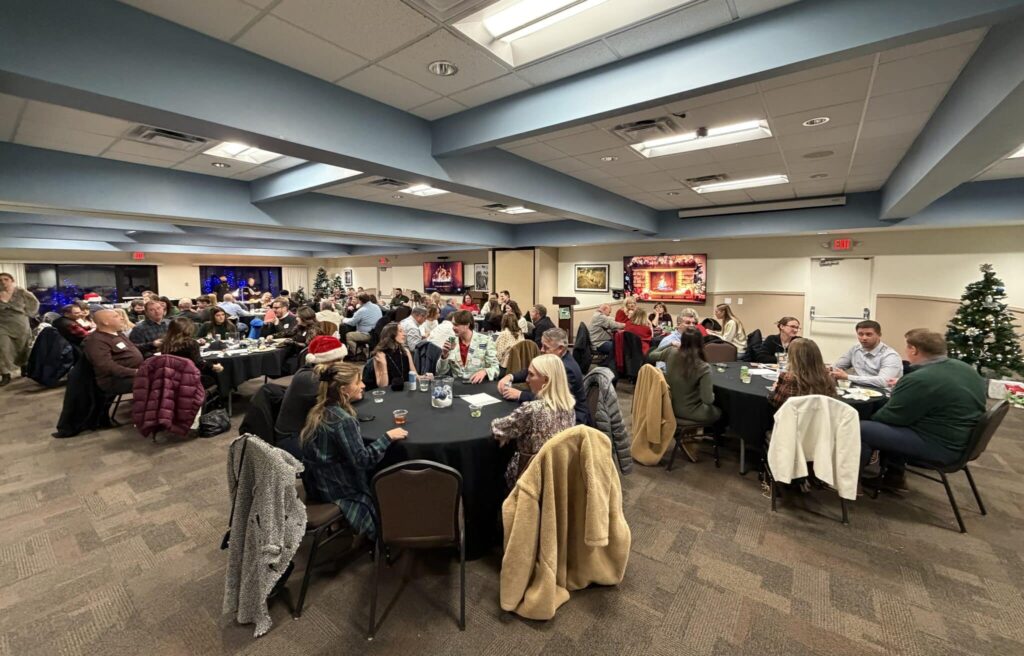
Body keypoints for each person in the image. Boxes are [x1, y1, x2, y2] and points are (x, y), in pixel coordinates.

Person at [859, 329, 986, 490]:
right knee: (881, 410)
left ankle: (851, 483)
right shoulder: (964, 368)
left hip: (940, 446)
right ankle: (894, 476)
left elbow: (890, 418)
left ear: (913, 349)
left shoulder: (921, 379)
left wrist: (872, 416)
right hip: (962, 439)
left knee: (860, 428)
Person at [299, 363, 407, 541]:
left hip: (316, 483)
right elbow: (362, 461)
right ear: (343, 390)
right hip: (337, 488)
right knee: (390, 480)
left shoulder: (318, 410)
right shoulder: (343, 421)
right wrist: (387, 437)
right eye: (358, 382)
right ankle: (392, 531)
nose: (363, 385)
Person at [491, 353, 577, 488]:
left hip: (528, 476)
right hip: (559, 477)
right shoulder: (569, 406)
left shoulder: (532, 410)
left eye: (531, 375)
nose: (526, 379)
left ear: (546, 381)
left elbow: (498, 429)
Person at [498, 327, 590, 425]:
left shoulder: (567, 369)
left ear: (560, 349)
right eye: (542, 346)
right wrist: (511, 376)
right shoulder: (553, 358)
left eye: (546, 347)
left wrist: (519, 394)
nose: (541, 350)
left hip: (572, 420)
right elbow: (532, 370)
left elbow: (551, 399)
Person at [275, 335, 347, 453]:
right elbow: (340, 399)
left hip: (308, 430)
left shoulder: (318, 373)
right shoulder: (310, 378)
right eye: (336, 360)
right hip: (293, 438)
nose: (341, 364)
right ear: (321, 361)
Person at [647, 327, 721, 430]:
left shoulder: (670, 352)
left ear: (682, 340)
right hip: (690, 411)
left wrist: (669, 343)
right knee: (721, 412)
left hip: (668, 407)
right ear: (701, 343)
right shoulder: (703, 367)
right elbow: (708, 400)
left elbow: (651, 355)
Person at [82, 309, 144, 395]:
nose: (122, 318)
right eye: (116, 316)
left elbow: (132, 349)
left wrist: (152, 345)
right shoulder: (96, 341)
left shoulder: (117, 334)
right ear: (105, 322)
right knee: (158, 381)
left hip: (133, 372)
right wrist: (135, 372)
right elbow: (106, 366)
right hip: (116, 380)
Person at [830, 320, 904, 388]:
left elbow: (884, 382)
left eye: (868, 334)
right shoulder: (855, 349)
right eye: (860, 334)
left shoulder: (890, 356)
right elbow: (837, 367)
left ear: (879, 335)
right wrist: (829, 370)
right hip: (857, 390)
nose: (864, 338)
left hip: (881, 394)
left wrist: (848, 377)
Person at [768, 338, 836, 409]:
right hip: (821, 418)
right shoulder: (827, 377)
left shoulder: (789, 378)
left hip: (794, 418)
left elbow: (776, 403)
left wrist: (775, 388)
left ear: (793, 358)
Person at [0, 272, 40, 387]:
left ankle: (25, 368)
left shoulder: (21, 292)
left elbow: (34, 303)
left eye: (6, 279)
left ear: (12, 280)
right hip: (2, 325)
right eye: (0, 280)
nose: (3, 282)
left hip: (20, 324)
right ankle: (5, 374)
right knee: (3, 349)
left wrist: (29, 313)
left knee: (23, 347)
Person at [437, 310, 498, 383]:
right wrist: (444, 355)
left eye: (456, 325)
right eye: (453, 325)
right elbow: (440, 372)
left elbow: (495, 368)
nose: (453, 328)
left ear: (467, 325)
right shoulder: (451, 342)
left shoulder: (486, 341)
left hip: (478, 385)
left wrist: (485, 371)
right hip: (457, 386)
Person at [160, 316, 224, 386]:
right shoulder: (191, 343)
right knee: (216, 374)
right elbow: (199, 364)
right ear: (188, 329)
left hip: (171, 378)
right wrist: (213, 366)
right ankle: (224, 395)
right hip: (190, 378)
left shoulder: (165, 344)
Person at [365, 322, 417, 391]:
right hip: (388, 393)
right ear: (391, 334)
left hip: (405, 390)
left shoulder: (405, 351)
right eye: (400, 331)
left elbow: (415, 375)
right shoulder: (380, 354)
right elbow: (383, 385)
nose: (404, 334)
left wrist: (425, 377)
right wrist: (383, 364)